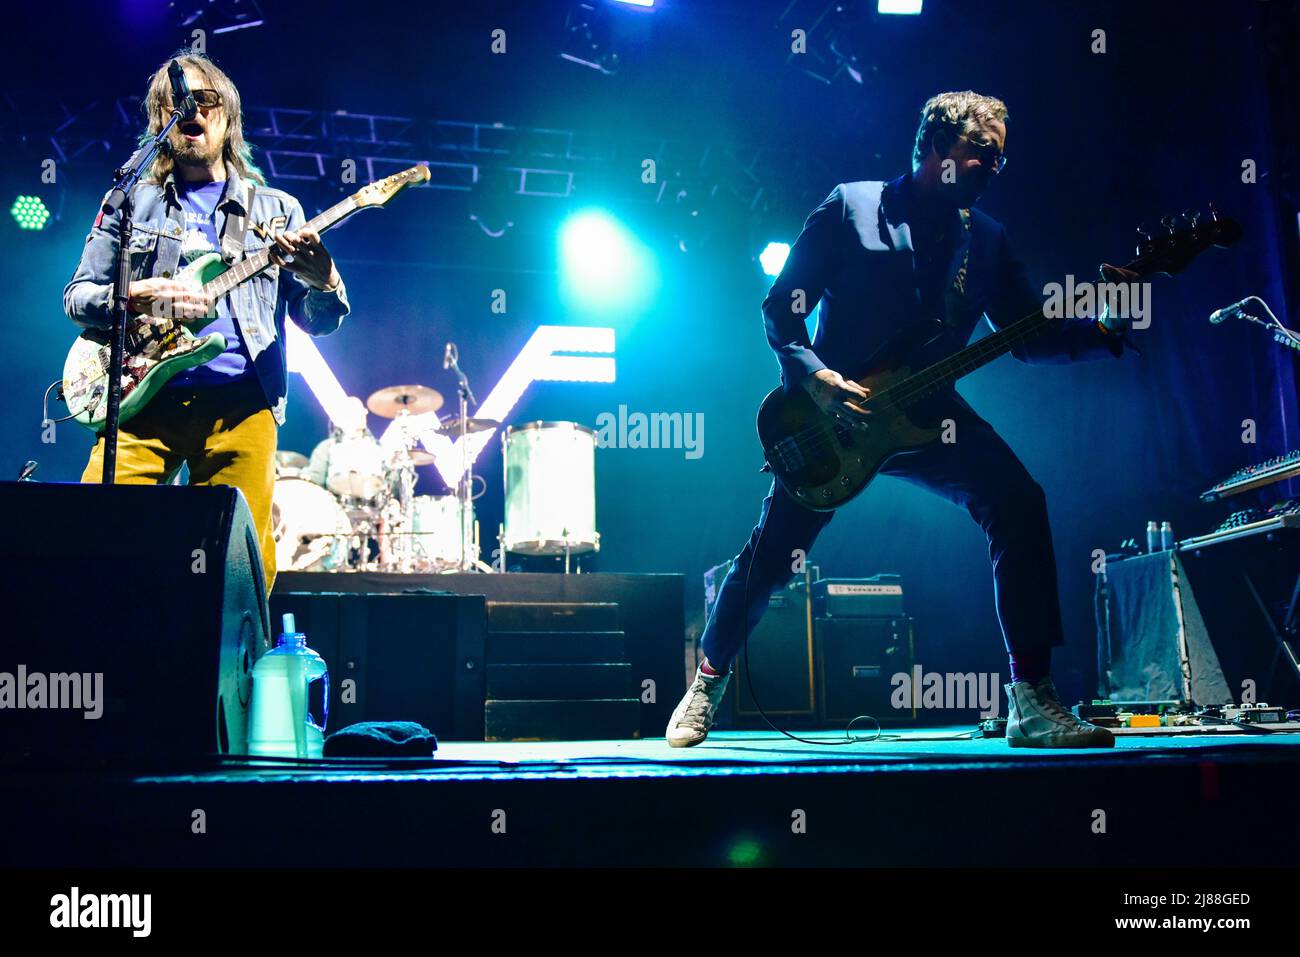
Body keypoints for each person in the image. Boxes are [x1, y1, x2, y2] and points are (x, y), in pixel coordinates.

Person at [667, 91, 1136, 749]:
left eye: (1001, 158)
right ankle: (706, 682)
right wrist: (818, 377)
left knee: (1018, 500)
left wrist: (1104, 326)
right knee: (773, 554)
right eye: (982, 156)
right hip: (833, 417)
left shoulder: (988, 240)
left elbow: (1028, 335)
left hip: (928, 412)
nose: (994, 169)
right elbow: (781, 309)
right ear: (935, 150)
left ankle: (1031, 697)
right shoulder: (851, 208)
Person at [65, 51, 349, 596]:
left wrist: (324, 279)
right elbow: (78, 298)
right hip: (142, 401)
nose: (192, 110)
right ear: (160, 121)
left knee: (239, 566)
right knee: (93, 537)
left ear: (228, 116)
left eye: (206, 100)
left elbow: (318, 323)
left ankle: (229, 677)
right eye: (178, 103)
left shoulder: (277, 210)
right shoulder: (131, 204)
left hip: (241, 406)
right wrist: (137, 297)